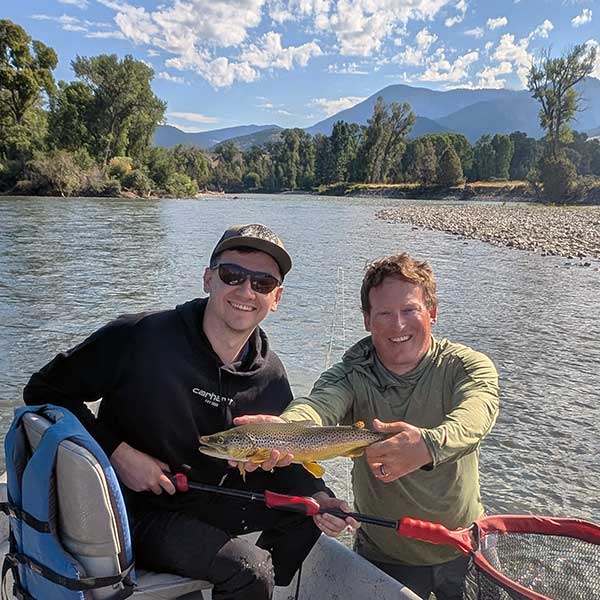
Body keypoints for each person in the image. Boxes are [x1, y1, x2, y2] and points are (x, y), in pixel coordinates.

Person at [23, 223, 337, 600]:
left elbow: (285, 454)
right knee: (248, 573)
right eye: (232, 275)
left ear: (277, 297)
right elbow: (42, 390)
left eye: (262, 283)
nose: (245, 291)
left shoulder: (269, 375)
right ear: (208, 279)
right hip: (128, 512)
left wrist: (321, 496)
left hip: (204, 502)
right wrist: (117, 452)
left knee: (306, 515)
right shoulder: (140, 336)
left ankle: (228, 578)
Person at [234, 252, 499, 600]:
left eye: (410, 311)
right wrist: (285, 428)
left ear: (432, 312)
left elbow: (478, 414)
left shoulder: (466, 366)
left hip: (466, 545)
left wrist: (428, 446)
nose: (398, 325)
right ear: (366, 319)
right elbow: (318, 405)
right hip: (383, 556)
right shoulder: (350, 374)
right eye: (384, 314)